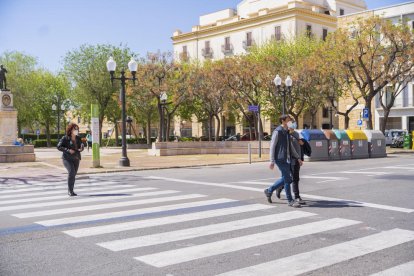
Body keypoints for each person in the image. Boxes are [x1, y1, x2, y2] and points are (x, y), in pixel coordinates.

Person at [264, 115, 302, 208]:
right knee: (288, 179)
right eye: (288, 120)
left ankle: (269, 190)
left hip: (287, 159)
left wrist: (297, 157)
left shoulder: (287, 132)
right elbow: (272, 146)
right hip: (280, 159)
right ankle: (290, 201)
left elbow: (290, 147)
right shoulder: (278, 131)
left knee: (286, 178)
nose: (290, 122)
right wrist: (271, 161)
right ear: (283, 121)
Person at [275, 120, 306, 205]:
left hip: (297, 158)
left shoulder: (296, 134)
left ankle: (281, 188)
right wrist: (297, 157)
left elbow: (301, 145)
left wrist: (302, 143)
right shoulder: (286, 135)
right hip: (290, 159)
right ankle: (296, 196)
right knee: (291, 178)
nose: (294, 125)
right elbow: (291, 149)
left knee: (295, 178)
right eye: (292, 124)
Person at [57, 123, 84, 196]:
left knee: (73, 175)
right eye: (75, 129)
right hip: (67, 158)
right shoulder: (65, 138)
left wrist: (81, 148)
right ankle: (70, 191)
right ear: (70, 130)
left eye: (77, 129)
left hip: (76, 158)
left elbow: (81, 146)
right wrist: (68, 150)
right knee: (71, 172)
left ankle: (71, 190)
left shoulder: (78, 138)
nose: (76, 130)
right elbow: (59, 146)